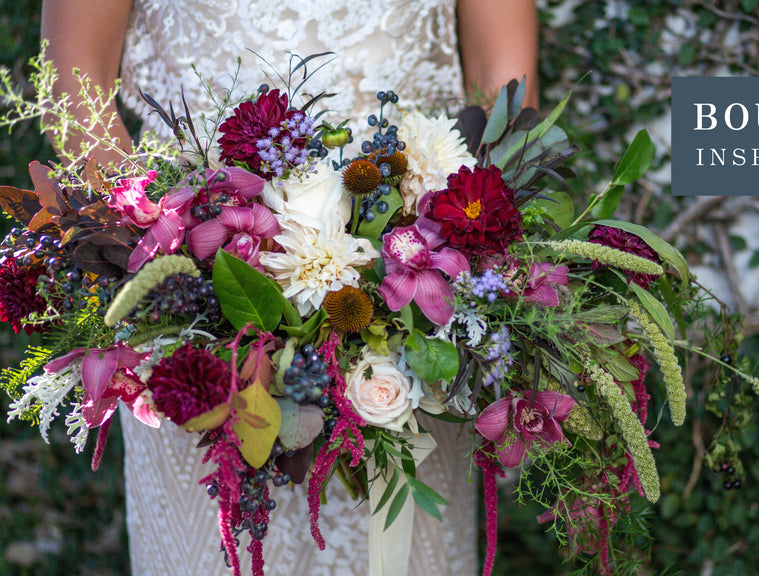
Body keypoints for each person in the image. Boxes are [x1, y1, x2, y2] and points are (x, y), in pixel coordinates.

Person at [38, 1, 538, 575]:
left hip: (414, 315)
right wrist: (181, 270)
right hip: (196, 326)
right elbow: (76, 92)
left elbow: (506, 91)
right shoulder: (191, 299)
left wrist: (463, 258)